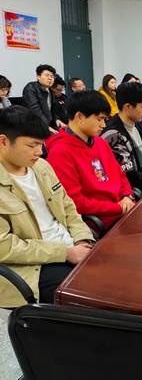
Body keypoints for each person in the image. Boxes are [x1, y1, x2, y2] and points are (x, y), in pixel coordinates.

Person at [0, 106, 94, 307]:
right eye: (32, 145)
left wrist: (82, 239)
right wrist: (65, 252)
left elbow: (68, 207)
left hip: (70, 246)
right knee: (91, 295)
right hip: (34, 264)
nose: (40, 151)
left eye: (41, 144)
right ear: (3, 141)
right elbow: (4, 247)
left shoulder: (41, 166)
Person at [45, 90, 135, 229]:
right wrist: (118, 208)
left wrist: (127, 196)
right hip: (100, 223)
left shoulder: (100, 142)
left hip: (123, 211)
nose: (103, 125)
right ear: (80, 117)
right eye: (99, 119)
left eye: (105, 120)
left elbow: (120, 175)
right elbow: (75, 202)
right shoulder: (60, 152)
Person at [102, 82, 142, 194]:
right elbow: (130, 175)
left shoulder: (139, 127)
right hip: (134, 190)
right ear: (128, 107)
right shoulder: (112, 134)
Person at [22, 64, 65, 133]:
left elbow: (53, 109)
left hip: (47, 124)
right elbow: (35, 110)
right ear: (38, 77)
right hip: (34, 125)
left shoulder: (50, 90)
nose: (50, 78)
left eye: (52, 76)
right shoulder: (31, 88)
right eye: (47, 75)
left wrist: (56, 119)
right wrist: (46, 126)